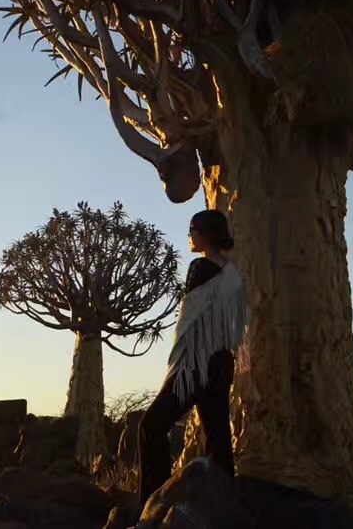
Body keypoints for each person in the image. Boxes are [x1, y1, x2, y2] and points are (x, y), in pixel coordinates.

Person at [137, 208, 249, 506]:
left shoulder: (199, 268)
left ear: (204, 234)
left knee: (151, 426)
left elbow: (189, 320)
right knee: (217, 437)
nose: (189, 236)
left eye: (192, 230)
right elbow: (239, 325)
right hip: (222, 361)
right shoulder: (234, 275)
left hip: (197, 362)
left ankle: (152, 503)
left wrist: (178, 366)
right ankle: (226, 505)